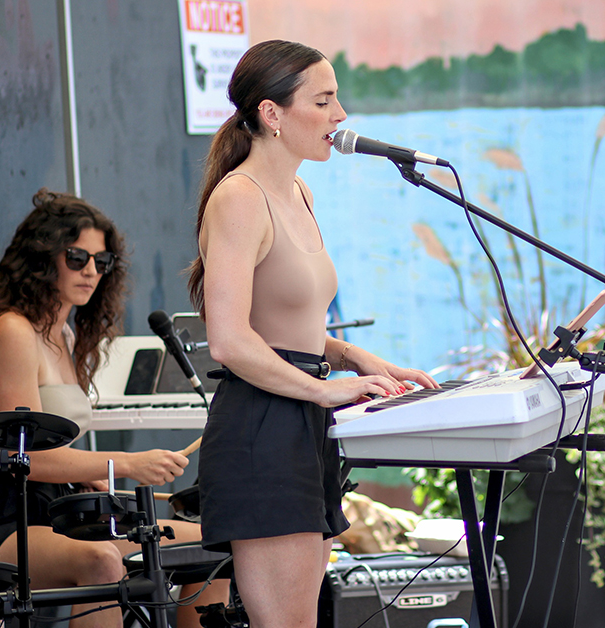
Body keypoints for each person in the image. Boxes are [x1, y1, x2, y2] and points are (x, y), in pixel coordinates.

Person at [186, 40, 438, 627]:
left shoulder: (299, 190)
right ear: (271, 114)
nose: (341, 116)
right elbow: (228, 340)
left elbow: (289, 324)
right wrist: (325, 391)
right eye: (323, 101)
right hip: (264, 426)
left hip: (303, 420)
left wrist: (353, 358)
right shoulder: (239, 199)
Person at [0, 189, 228, 628]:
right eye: (77, 257)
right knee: (100, 562)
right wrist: (128, 463)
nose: (91, 271)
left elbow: (56, 454)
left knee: (213, 544)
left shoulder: (66, 335)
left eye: (102, 262)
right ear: (43, 257)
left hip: (57, 507)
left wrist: (92, 476)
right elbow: (28, 458)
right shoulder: (10, 331)